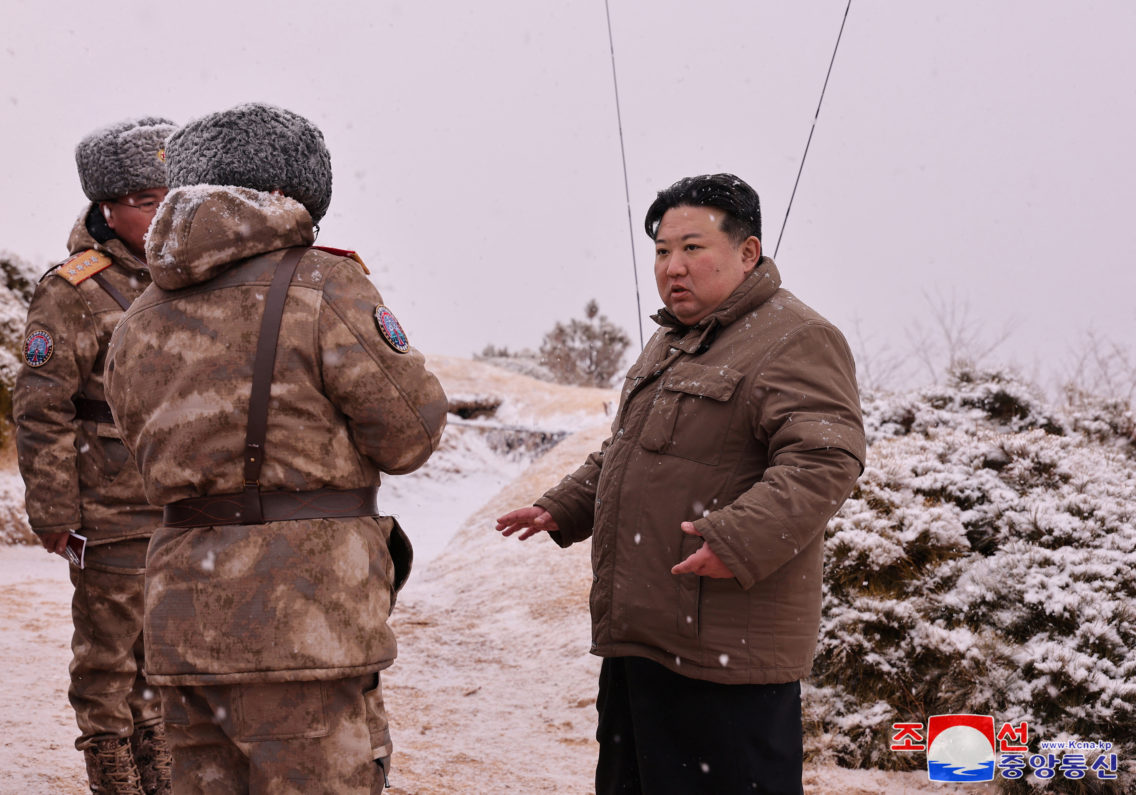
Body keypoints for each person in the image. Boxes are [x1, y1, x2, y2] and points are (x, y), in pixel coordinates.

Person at [103, 102, 447, 794]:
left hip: (182, 621)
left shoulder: (138, 313)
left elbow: (140, 450)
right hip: (305, 618)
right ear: (291, 191)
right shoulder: (323, 284)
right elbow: (410, 433)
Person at [496, 173, 866, 794]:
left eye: (693, 248)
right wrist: (565, 506)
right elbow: (630, 450)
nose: (672, 267)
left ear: (747, 252)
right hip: (641, 643)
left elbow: (825, 458)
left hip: (726, 658)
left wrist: (736, 540)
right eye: (663, 251)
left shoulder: (797, 337)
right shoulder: (671, 340)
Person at [13, 117, 177, 795]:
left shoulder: (193, 277)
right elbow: (41, 406)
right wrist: (54, 509)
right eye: (144, 200)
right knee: (110, 650)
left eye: (171, 195)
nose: (160, 212)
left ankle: (159, 757)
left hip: (185, 502)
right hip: (110, 506)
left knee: (166, 645)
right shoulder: (73, 289)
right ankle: (110, 763)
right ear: (107, 208)